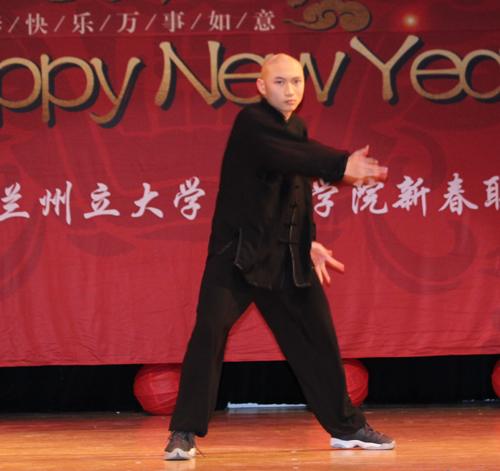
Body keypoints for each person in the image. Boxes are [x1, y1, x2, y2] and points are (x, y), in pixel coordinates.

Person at [164, 53, 394, 461]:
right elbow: (291, 156)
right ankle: (183, 433)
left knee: (318, 338)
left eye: (297, 82)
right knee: (208, 335)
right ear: (261, 86)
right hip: (238, 255)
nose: (290, 91)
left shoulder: (296, 128)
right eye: (280, 83)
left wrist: (308, 242)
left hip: (285, 257)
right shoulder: (252, 122)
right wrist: (342, 163)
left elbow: (295, 190)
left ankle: (346, 428)